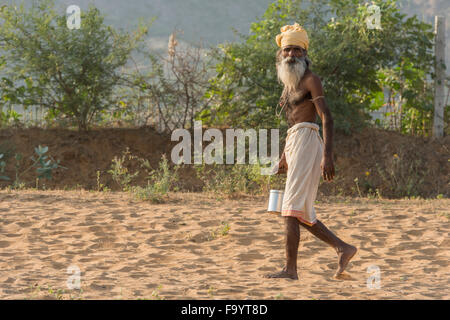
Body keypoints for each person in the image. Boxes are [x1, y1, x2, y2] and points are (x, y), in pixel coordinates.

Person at [265, 23, 357, 280]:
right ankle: (343, 248)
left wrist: (328, 155)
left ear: (305, 54)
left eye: (296, 50)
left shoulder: (310, 79)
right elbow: (292, 122)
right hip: (295, 142)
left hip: (308, 140)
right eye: (287, 50)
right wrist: (284, 155)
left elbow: (326, 117)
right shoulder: (289, 82)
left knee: (290, 209)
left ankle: (290, 270)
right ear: (281, 54)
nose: (291, 55)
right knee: (299, 211)